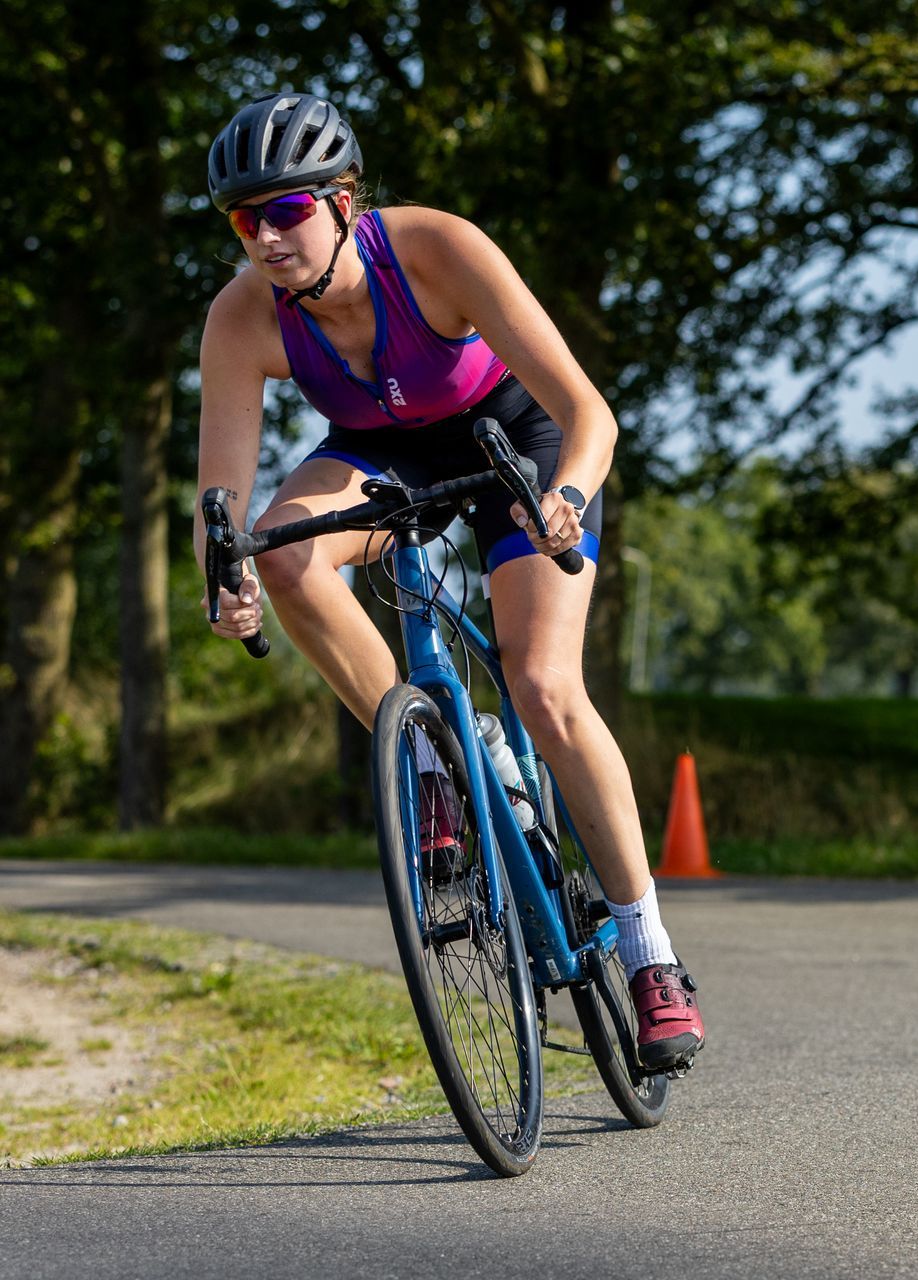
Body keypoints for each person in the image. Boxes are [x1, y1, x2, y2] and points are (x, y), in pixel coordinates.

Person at [194, 92, 702, 1072]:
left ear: (343, 203)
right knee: (284, 552)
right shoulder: (243, 316)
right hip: (384, 454)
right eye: (245, 221)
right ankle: (437, 763)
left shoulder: (434, 250)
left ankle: (651, 957)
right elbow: (223, 505)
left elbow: (589, 413)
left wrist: (566, 495)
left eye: (287, 211)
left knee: (543, 685)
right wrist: (227, 580)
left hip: (519, 443)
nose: (266, 238)